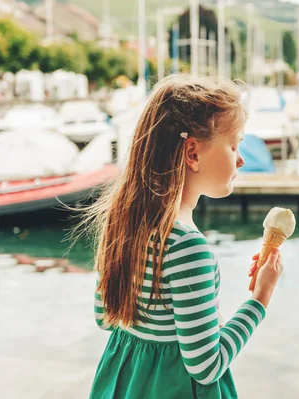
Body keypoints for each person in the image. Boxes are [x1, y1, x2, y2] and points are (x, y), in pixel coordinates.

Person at [79, 75, 284, 398]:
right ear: (193, 153)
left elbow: (105, 318)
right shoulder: (188, 248)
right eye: (234, 145)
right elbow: (206, 365)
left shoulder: (123, 225)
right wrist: (260, 299)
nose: (241, 159)